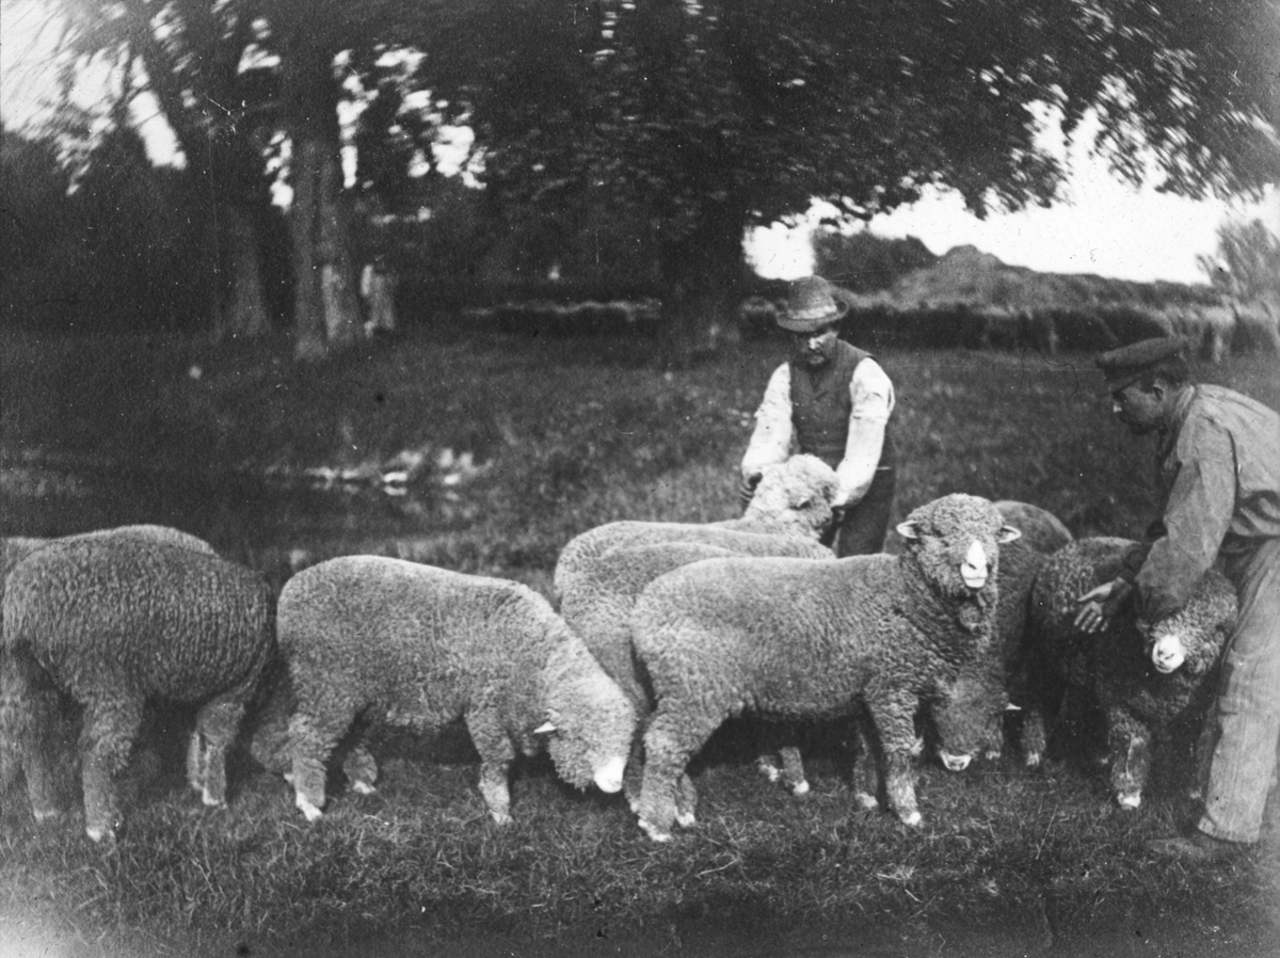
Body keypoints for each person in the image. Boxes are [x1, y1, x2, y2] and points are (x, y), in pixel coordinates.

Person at [1074, 335, 1280, 862]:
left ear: (1158, 389)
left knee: (1249, 677)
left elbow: (1187, 549)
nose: (1114, 409)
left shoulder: (1202, 434)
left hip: (1272, 545)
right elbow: (1173, 522)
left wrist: (1139, 615)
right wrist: (1126, 579)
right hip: (1260, 538)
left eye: (1122, 397)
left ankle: (1225, 833)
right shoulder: (1192, 415)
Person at [740, 275, 896, 556]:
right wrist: (758, 474)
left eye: (820, 333)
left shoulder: (866, 374)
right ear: (792, 336)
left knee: (855, 560)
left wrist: (833, 497)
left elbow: (862, 455)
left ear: (836, 328)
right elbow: (771, 434)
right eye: (802, 336)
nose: (812, 344)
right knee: (797, 555)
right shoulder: (785, 376)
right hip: (815, 480)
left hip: (868, 477)